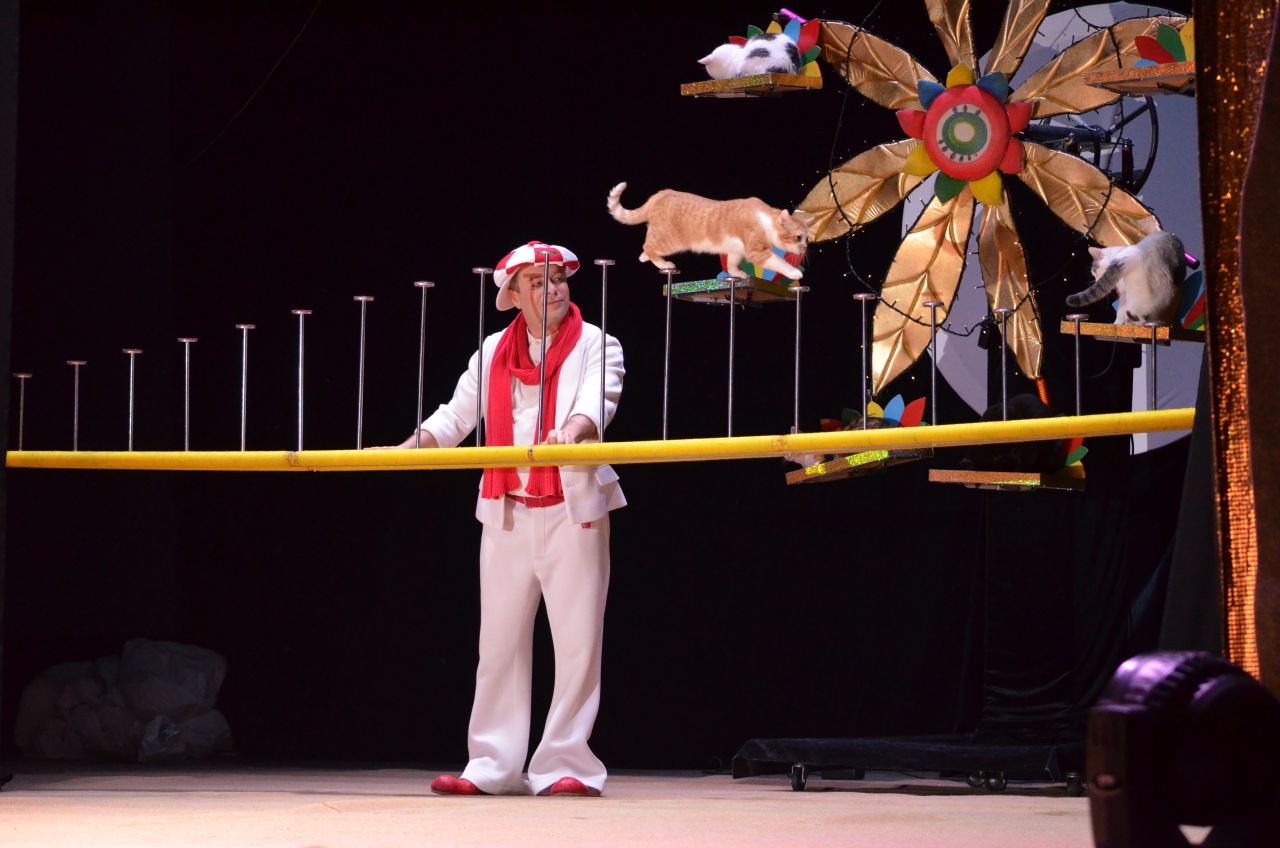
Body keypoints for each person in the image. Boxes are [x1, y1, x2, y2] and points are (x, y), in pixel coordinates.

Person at [375, 241, 625, 797]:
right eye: (538, 282)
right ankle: (491, 764)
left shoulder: (597, 342)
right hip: (507, 510)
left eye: (557, 278)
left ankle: (565, 764)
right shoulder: (491, 351)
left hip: (572, 511)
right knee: (499, 645)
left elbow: (596, 402)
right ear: (512, 296)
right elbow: (455, 417)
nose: (553, 288)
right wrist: (406, 449)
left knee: (578, 644)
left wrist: (571, 432)